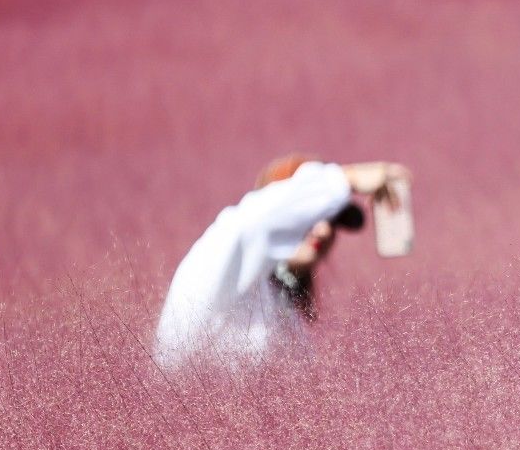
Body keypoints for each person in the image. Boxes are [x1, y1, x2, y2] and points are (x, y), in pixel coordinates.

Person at [153, 155, 411, 369]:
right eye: (307, 216)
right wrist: (346, 178)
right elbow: (247, 225)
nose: (323, 231)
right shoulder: (217, 263)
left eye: (333, 222)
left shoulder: (287, 316)